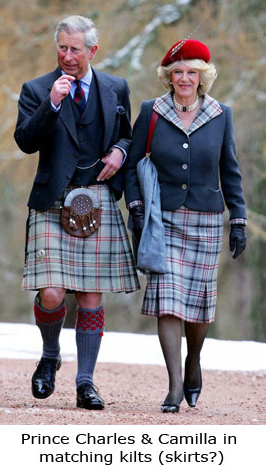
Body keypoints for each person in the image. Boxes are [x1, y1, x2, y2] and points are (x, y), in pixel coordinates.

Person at [14, 15, 139, 410]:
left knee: (89, 296)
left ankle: (86, 383)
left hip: (98, 198)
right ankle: (50, 355)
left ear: (92, 51)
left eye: (75, 49)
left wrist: (120, 151)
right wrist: (51, 103)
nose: (68, 56)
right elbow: (25, 141)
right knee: (51, 293)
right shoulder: (36, 89)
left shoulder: (116, 87)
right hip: (53, 199)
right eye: (62, 48)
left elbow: (126, 134)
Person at [124, 39, 247, 413]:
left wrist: (237, 218)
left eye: (191, 72)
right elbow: (131, 165)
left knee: (199, 307)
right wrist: (137, 206)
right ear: (168, 76)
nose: (184, 78)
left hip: (207, 219)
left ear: (202, 76)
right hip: (165, 219)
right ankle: (175, 385)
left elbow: (230, 170)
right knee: (168, 302)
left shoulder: (221, 114)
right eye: (177, 72)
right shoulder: (152, 111)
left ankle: (194, 362)